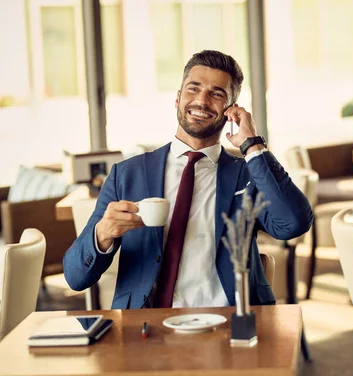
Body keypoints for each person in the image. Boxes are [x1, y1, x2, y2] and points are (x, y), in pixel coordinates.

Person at [63, 50, 313, 309]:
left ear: (231, 110)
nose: (202, 101)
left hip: (229, 325)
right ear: (178, 98)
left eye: (217, 93)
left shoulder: (248, 175)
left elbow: (293, 223)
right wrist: (102, 234)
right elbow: (75, 277)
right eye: (193, 89)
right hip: (144, 330)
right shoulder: (127, 174)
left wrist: (252, 146)